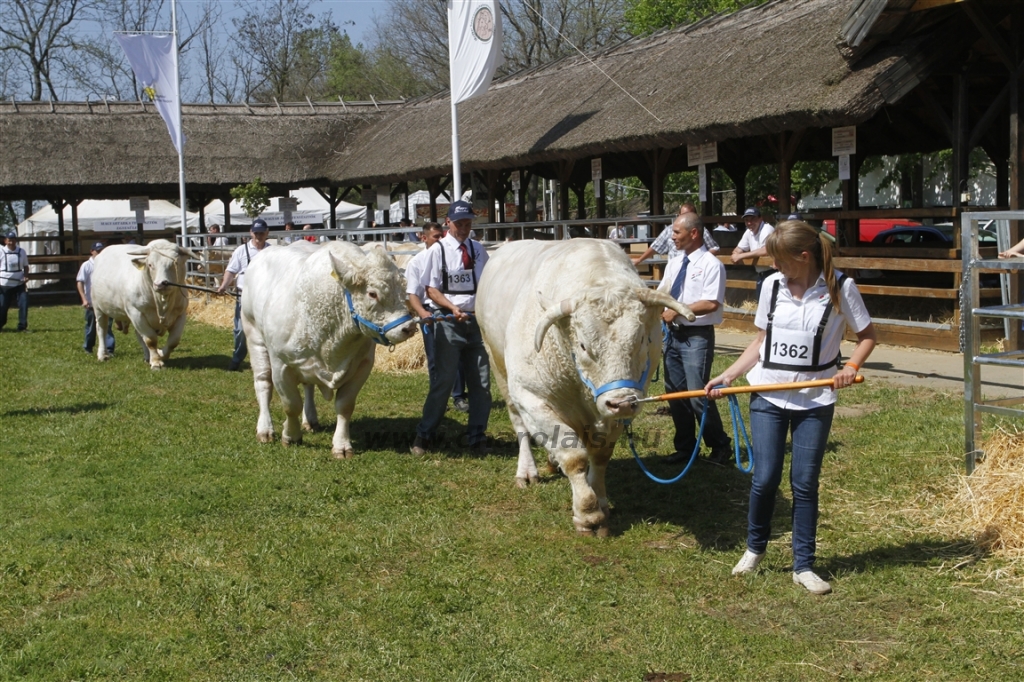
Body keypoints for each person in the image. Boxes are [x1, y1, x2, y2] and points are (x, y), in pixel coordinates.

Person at [706, 220, 876, 595]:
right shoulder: (771, 286)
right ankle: (755, 549)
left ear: (803, 256)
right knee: (765, 478)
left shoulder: (840, 287)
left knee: (804, 483)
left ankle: (804, 565)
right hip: (767, 393)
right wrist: (730, 375)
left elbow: (867, 337)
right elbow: (761, 340)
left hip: (815, 399)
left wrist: (849, 368)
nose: (774, 267)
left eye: (780, 260)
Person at [411, 201, 491, 455]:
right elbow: (431, 289)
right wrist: (452, 308)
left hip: (476, 321)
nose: (465, 228)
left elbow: (488, 283)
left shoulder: (479, 250)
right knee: (444, 380)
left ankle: (476, 435)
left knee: (481, 382)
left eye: (468, 223)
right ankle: (424, 435)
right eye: (460, 224)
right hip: (447, 320)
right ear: (449, 223)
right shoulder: (438, 251)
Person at [658, 213, 732, 465]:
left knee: (698, 395)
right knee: (675, 394)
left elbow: (711, 303)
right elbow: (664, 293)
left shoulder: (712, 265)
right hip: (673, 338)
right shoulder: (675, 263)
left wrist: (676, 310)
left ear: (694, 233)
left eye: (677, 232)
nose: (672, 237)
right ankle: (686, 448)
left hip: (696, 337)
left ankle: (720, 446)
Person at [217, 218, 271, 370]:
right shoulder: (241, 250)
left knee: (267, 328)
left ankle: (267, 361)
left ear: (267, 233)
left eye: (261, 233)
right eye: (255, 233)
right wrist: (223, 286)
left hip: (265, 297)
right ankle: (237, 358)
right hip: (244, 297)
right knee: (240, 329)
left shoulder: (272, 251)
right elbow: (231, 270)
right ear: (250, 233)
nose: (258, 236)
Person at [632, 203, 719, 265]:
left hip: (694, 270)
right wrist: (639, 260)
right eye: (684, 215)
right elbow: (656, 246)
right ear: (679, 215)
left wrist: (700, 259)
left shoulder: (701, 230)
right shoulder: (669, 229)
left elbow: (714, 248)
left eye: (689, 215)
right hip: (674, 270)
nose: (674, 237)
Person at [76, 242, 115, 356]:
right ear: (91, 251)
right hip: (91, 301)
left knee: (107, 325)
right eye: (97, 251)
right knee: (91, 326)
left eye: (102, 251)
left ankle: (109, 348)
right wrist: (84, 299)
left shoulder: (107, 265)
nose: (100, 253)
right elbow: (80, 282)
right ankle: (88, 347)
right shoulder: (87, 265)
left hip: (105, 301)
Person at [731, 206, 776, 299]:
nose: (749, 223)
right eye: (747, 220)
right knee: (762, 306)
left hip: (773, 273)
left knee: (771, 307)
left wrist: (740, 256)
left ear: (760, 219)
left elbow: (765, 250)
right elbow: (738, 249)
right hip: (761, 274)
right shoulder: (749, 232)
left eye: (753, 219)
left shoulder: (767, 229)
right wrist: (736, 254)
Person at [0, 230, 30, 332]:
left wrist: (26, 276)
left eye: (13, 240)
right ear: (5, 241)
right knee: (3, 306)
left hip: (19, 283)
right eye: (9, 240)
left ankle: (22, 326)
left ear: (15, 240)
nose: (11, 242)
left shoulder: (22, 251)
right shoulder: (1, 252)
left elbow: (26, 266)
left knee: (24, 304)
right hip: (5, 284)